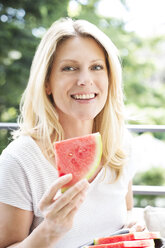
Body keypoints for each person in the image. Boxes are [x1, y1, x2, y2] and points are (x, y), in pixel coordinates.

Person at [0, 18, 145, 248]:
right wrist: (50, 231)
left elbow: (126, 210)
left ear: (110, 78)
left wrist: (133, 226)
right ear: (47, 82)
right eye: (69, 68)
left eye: (96, 67)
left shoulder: (120, 144)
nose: (85, 80)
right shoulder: (19, 161)